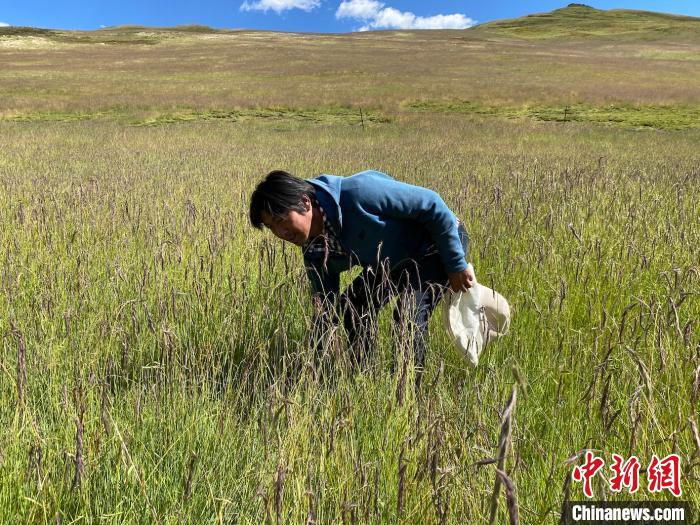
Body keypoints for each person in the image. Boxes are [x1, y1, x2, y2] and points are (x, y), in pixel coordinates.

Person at [249, 169, 473, 380]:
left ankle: (408, 399)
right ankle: (365, 377)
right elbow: (325, 308)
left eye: (280, 220)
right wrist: (313, 361)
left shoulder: (359, 193)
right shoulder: (314, 252)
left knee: (408, 317)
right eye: (271, 227)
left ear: (305, 202)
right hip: (393, 259)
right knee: (351, 307)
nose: (281, 233)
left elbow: (432, 204)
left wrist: (455, 264)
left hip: (438, 242)